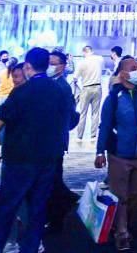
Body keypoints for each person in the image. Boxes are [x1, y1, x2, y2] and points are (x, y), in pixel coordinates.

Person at [0, 47, 75, 253]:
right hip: (48, 159)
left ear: (28, 66)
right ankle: (31, 248)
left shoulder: (22, 91)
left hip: (19, 159)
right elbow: (70, 120)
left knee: (7, 208)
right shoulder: (60, 90)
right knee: (38, 209)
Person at [96, 56, 137, 252]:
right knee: (120, 195)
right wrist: (100, 152)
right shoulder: (114, 98)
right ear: (122, 73)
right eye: (133, 68)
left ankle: (121, 222)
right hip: (119, 154)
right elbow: (105, 125)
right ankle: (122, 233)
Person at [45, 50, 81, 234]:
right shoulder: (52, 84)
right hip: (53, 140)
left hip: (54, 141)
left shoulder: (61, 87)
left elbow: (65, 116)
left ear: (63, 66)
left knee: (53, 180)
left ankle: (59, 214)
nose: (50, 67)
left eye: (54, 64)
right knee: (53, 179)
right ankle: (65, 202)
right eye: (48, 63)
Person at [74, 45, 103, 141]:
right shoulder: (99, 59)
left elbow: (75, 78)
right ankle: (93, 136)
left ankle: (79, 136)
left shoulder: (81, 62)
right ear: (92, 51)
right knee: (95, 113)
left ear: (84, 52)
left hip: (86, 88)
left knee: (83, 113)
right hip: (97, 87)